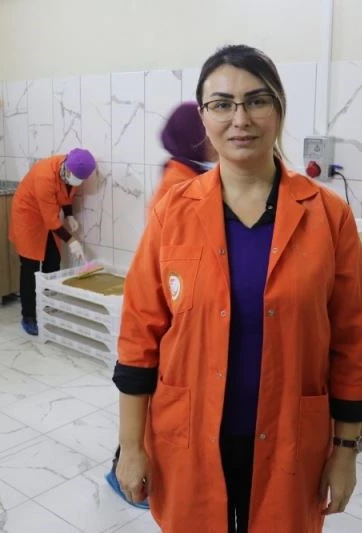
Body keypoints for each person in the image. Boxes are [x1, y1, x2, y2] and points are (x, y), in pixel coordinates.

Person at [112, 45, 362, 533]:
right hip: (189, 434)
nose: (240, 119)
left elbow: (352, 342)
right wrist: (131, 446)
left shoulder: (328, 217)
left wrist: (345, 451)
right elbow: (138, 336)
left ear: (279, 109)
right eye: (222, 104)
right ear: (204, 117)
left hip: (291, 438)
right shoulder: (173, 212)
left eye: (256, 100)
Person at [104, 101, 217, 510]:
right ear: (196, 139)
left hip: (177, 304)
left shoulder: (189, 172)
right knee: (150, 403)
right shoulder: (178, 183)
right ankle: (122, 470)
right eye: (209, 130)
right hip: (169, 309)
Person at [9, 149, 96, 336]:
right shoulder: (44, 177)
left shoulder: (73, 169)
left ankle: (47, 306)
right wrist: (71, 241)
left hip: (48, 214)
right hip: (28, 216)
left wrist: (70, 214)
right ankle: (29, 316)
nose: (75, 182)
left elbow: (66, 193)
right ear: (66, 168)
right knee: (30, 266)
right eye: (73, 178)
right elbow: (51, 221)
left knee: (53, 260)